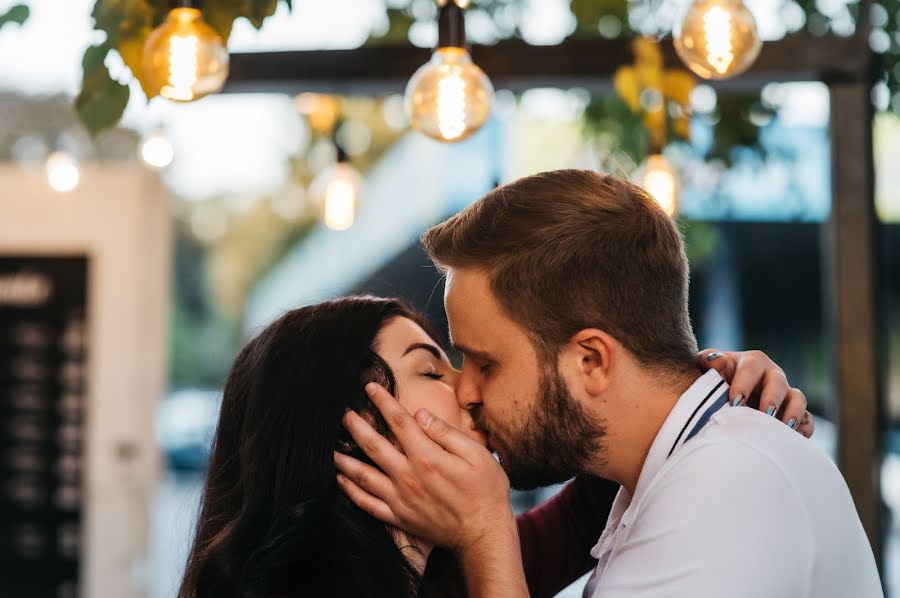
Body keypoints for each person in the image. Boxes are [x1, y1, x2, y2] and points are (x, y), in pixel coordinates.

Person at [335, 170, 883, 597]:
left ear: (592, 360)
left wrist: (484, 532)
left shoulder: (722, 482)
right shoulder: (668, 470)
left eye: (485, 362)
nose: (466, 391)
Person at [176, 296, 807, 598]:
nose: (469, 388)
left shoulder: (444, 571)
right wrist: (485, 534)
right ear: (347, 425)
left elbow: (615, 455)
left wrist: (701, 378)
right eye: (433, 370)